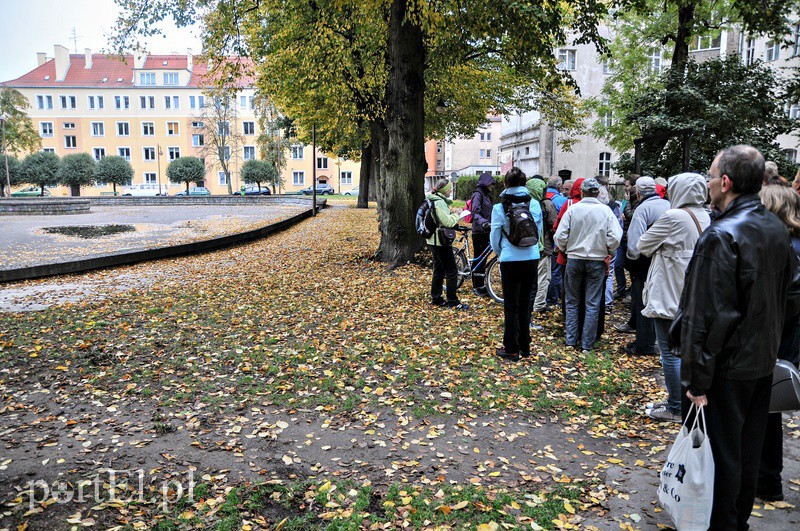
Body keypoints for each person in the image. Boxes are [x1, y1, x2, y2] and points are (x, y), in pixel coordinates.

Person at [679, 145, 800, 529]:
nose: (709, 183)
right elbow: (790, 294)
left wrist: (696, 379)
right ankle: (737, 521)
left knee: (722, 456)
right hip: (760, 361)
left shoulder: (720, 236)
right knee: (746, 451)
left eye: (712, 175)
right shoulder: (775, 228)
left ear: (725, 182)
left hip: (727, 369)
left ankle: (724, 523)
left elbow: (704, 315)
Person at [637, 173, 710, 423]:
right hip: (697, 295)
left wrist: (662, 246)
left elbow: (642, 245)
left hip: (669, 293)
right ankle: (687, 400)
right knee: (690, 351)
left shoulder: (673, 217)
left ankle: (676, 406)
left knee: (669, 352)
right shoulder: (708, 216)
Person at [757, 183, 800, 502]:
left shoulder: (782, 245)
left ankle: (768, 480)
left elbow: (782, 300)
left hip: (775, 339)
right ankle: (768, 480)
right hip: (789, 340)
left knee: (765, 410)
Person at [554, 178, 622, 352]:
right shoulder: (605, 211)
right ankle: (587, 344)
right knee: (592, 303)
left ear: (582, 192)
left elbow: (560, 236)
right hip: (596, 260)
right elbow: (615, 237)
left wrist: (566, 249)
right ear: (598, 192)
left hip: (575, 259)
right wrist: (607, 249)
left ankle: (571, 340)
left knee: (572, 301)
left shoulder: (573, 210)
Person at [491, 167, 542, 361]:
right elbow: (537, 231)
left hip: (510, 259)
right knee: (525, 303)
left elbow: (495, 236)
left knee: (510, 305)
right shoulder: (534, 204)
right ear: (524, 183)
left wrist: (500, 252)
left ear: (506, 184)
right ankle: (525, 346)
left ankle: (511, 348)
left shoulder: (499, 207)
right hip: (531, 257)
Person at [623, 176, 669, 356]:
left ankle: (644, 344)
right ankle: (660, 340)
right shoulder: (668, 205)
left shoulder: (643, 209)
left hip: (644, 261)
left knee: (643, 301)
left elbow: (635, 242)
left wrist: (631, 261)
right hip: (666, 260)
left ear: (639, 192)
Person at [426, 179, 469, 310]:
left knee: (439, 269)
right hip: (440, 241)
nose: (451, 191)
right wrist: (457, 215)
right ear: (444, 190)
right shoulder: (439, 202)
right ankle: (453, 301)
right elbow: (447, 222)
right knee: (451, 271)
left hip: (433, 240)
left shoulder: (434, 200)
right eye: (449, 189)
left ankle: (436, 298)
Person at [528, 176, 558, 315]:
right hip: (544, 246)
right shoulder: (546, 204)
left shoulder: (524, 203)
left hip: (527, 247)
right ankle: (539, 304)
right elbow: (554, 225)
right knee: (543, 276)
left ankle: (531, 302)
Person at [469, 172, 496, 296]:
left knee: (483, 259)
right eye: (491, 184)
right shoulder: (478, 195)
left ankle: (481, 284)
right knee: (479, 258)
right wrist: (484, 222)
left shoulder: (487, 196)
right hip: (479, 231)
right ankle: (477, 286)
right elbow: (475, 212)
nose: (492, 187)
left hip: (487, 230)